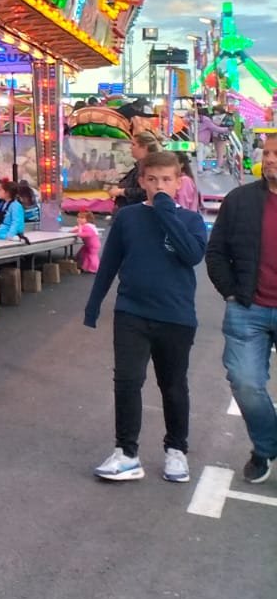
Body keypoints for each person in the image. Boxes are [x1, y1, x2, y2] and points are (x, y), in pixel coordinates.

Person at [83, 150, 208, 483]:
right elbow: (110, 263)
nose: (159, 186)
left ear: (179, 182)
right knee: (127, 381)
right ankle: (126, 453)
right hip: (132, 311)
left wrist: (166, 210)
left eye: (166, 179)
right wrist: (94, 305)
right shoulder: (128, 217)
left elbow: (192, 255)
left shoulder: (191, 220)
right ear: (142, 181)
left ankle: (176, 450)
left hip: (176, 316)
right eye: (152, 180)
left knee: (173, 385)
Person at [205, 131, 277, 485]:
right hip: (249, 308)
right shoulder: (241, 200)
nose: (270, 159)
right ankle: (266, 447)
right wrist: (230, 292)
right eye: (267, 153)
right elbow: (216, 251)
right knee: (245, 383)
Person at [109, 131, 162, 209]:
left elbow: (146, 191)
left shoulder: (150, 168)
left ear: (144, 147)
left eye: (133, 144)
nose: (130, 147)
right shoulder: (139, 167)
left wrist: (121, 191)